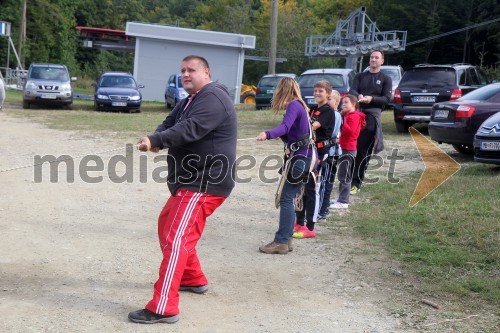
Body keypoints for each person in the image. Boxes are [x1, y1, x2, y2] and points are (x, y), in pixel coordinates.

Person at [129, 55, 237, 324]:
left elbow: (190, 128)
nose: (185, 74)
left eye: (191, 70)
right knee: (169, 225)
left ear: (206, 72)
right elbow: (170, 123)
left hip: (205, 182)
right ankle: (192, 278)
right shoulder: (190, 99)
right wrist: (156, 139)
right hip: (191, 182)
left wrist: (157, 140)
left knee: (176, 238)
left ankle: (163, 306)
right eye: (182, 71)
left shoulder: (213, 98)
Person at [256, 77, 315, 254]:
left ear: (282, 89)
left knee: (286, 198)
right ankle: (287, 239)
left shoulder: (294, 105)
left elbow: (285, 127)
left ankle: (281, 241)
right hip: (302, 157)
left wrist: (267, 134)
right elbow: (291, 133)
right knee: (288, 197)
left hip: (300, 159)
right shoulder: (301, 107)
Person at [293, 80, 334, 239]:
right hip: (308, 152)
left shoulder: (327, 111)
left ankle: (310, 226)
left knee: (311, 189)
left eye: (321, 91)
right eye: (315, 91)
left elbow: (311, 127)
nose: (317, 94)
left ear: (328, 94)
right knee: (300, 189)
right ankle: (299, 222)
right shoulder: (313, 109)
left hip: (320, 153)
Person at [349, 50, 392, 194]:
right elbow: (352, 90)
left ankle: (356, 182)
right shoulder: (360, 76)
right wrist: (358, 95)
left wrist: (371, 99)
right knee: (350, 148)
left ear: (382, 61)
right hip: (356, 114)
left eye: (376, 58)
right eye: (372, 57)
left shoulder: (386, 79)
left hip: (372, 116)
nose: (373, 60)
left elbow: (386, 99)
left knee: (363, 150)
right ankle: (347, 178)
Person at [330, 95, 366, 209]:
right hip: (344, 147)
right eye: (342, 102)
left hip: (349, 149)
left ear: (353, 104)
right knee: (342, 174)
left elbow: (352, 133)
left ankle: (343, 201)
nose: (343, 105)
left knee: (344, 176)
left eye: (346, 102)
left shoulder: (353, 117)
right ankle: (341, 198)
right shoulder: (349, 115)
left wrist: (343, 121)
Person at [317, 90, 342, 220]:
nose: (327, 101)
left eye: (330, 99)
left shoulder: (334, 115)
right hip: (328, 152)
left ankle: (321, 210)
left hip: (330, 153)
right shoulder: (328, 113)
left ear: (337, 101)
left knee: (325, 182)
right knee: (325, 182)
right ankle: (323, 207)